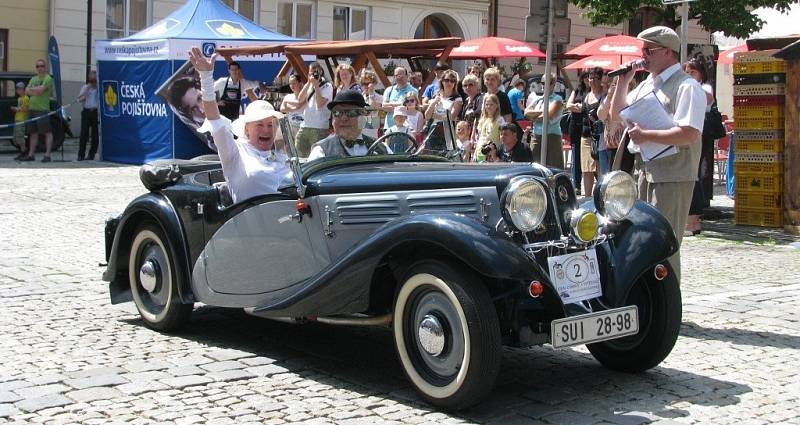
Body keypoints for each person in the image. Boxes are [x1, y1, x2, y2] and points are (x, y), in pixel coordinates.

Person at [609, 26, 707, 280]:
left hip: (673, 174)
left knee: (665, 242)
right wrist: (623, 81)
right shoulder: (646, 85)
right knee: (643, 241)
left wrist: (647, 135)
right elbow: (616, 115)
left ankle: (669, 310)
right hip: (644, 169)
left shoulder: (687, 86)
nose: (643, 55)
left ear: (667, 52)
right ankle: (650, 302)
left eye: (648, 50)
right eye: (642, 49)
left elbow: (689, 134)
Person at [189, 48, 289, 204]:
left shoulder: (282, 156)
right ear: (246, 129)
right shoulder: (235, 151)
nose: (266, 130)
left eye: (270, 125)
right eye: (259, 124)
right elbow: (214, 118)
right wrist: (206, 76)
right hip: (248, 221)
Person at [308, 89, 390, 160]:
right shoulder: (321, 152)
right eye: (337, 113)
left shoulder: (382, 148)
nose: (344, 118)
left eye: (351, 112)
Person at [684, 58, 716, 236]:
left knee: (693, 175)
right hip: (689, 134)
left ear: (701, 73)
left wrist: (689, 85)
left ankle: (693, 220)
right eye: (687, 72)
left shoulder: (704, 87)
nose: (689, 76)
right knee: (690, 174)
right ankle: (691, 220)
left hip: (699, 135)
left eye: (693, 72)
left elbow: (708, 98)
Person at [524, 73, 564, 168]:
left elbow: (548, 116)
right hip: (536, 136)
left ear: (553, 84)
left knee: (554, 167)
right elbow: (526, 113)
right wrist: (543, 112)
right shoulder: (537, 99)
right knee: (535, 165)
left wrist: (534, 116)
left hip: (552, 136)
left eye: (548, 83)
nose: (544, 85)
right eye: (542, 83)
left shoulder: (557, 99)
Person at [294, 62, 333, 157]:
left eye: (315, 72)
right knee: (299, 156)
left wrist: (316, 85)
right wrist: (308, 82)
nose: (313, 75)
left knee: (316, 158)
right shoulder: (309, 84)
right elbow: (299, 99)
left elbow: (319, 104)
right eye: (311, 73)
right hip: (305, 125)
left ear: (321, 72)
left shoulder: (327, 86)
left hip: (319, 128)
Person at [20, 59, 54, 162]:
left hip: (42, 110)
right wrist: (36, 90)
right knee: (33, 133)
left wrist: (33, 90)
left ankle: (47, 155)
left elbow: (40, 91)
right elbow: (26, 91)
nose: (40, 68)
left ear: (45, 67)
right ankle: (31, 155)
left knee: (47, 132)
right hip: (32, 109)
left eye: (42, 66)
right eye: (38, 66)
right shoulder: (33, 78)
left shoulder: (48, 78)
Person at [580, 67, 605, 196]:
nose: (593, 81)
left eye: (596, 78)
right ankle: (587, 197)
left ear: (601, 80)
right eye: (590, 78)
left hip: (599, 137)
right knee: (586, 169)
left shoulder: (604, 95)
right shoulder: (586, 96)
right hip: (585, 136)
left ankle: (600, 194)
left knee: (600, 168)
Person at [565, 71, 589, 191]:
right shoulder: (577, 90)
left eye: (589, 77)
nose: (587, 79)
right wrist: (581, 108)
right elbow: (568, 105)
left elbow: (588, 108)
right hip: (575, 127)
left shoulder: (593, 92)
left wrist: (580, 108)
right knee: (576, 156)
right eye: (585, 77)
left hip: (587, 127)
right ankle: (577, 185)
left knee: (589, 157)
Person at [382, 66, 418, 130]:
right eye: (396, 76)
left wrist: (391, 104)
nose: (399, 78)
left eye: (401, 76)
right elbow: (384, 106)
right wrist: (401, 104)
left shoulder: (413, 91)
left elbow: (411, 108)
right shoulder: (389, 90)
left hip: (406, 128)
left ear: (407, 76)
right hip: (389, 127)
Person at [474, 93, 504, 162]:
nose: (488, 107)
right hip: (480, 152)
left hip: (491, 154)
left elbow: (502, 138)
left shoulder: (500, 120)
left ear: (497, 105)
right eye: (487, 104)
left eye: (491, 105)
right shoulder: (483, 119)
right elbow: (480, 137)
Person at [77, 70, 99, 161]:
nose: (93, 79)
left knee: (95, 135)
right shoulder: (85, 87)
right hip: (86, 111)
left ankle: (91, 154)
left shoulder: (98, 88)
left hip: (95, 112)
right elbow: (80, 99)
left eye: (94, 77)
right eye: (91, 77)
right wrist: (87, 89)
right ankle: (81, 155)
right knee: (84, 134)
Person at [279, 74, 306, 139]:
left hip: (303, 127)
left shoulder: (305, 95)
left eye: (294, 83)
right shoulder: (288, 96)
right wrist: (294, 108)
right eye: (290, 84)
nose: (292, 86)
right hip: (291, 127)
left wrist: (287, 102)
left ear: (300, 83)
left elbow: (299, 104)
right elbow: (282, 109)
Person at [359, 70, 383, 139]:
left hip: (372, 127)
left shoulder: (379, 97)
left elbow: (370, 109)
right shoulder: (360, 96)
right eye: (363, 83)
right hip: (361, 127)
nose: (366, 86)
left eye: (368, 83)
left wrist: (371, 94)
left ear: (373, 83)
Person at [11, 82, 29, 158]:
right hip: (17, 119)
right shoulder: (19, 98)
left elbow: (26, 109)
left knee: (20, 136)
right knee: (16, 138)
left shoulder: (26, 98)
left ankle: (24, 151)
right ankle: (23, 151)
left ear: (23, 89)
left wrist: (16, 109)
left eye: (19, 89)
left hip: (22, 120)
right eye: (17, 89)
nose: (17, 91)